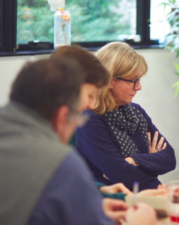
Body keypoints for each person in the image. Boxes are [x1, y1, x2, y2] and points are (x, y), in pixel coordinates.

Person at [0, 58, 156, 225]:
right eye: (78, 117)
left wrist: (100, 195)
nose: (91, 105)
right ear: (62, 116)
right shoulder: (60, 162)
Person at [76, 41, 176, 191]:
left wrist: (135, 160)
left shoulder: (136, 112)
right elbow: (122, 176)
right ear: (109, 80)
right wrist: (151, 160)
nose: (139, 87)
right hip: (114, 203)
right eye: (133, 81)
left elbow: (170, 158)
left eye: (139, 80)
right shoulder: (89, 120)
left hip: (150, 196)